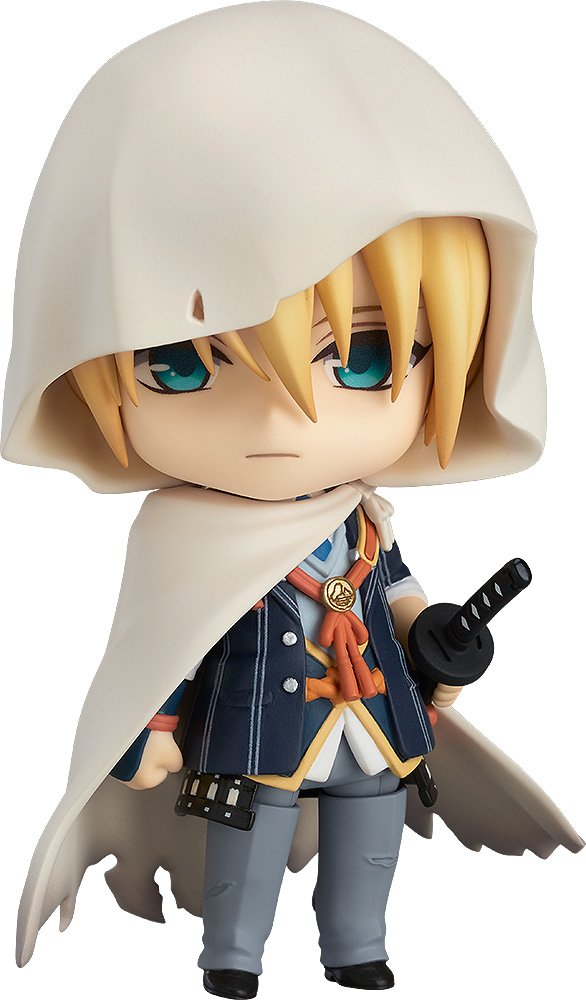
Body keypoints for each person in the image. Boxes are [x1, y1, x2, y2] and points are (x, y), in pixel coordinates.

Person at [1, 5, 582, 998]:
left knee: (371, 834)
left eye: (361, 358)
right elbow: (165, 642)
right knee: (250, 840)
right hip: (258, 730)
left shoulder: (365, 521)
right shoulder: (180, 539)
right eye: (182, 366)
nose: (282, 419)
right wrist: (152, 727)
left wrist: (438, 637)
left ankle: (357, 945)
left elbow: (394, 592)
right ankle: (232, 955)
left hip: (374, 720)